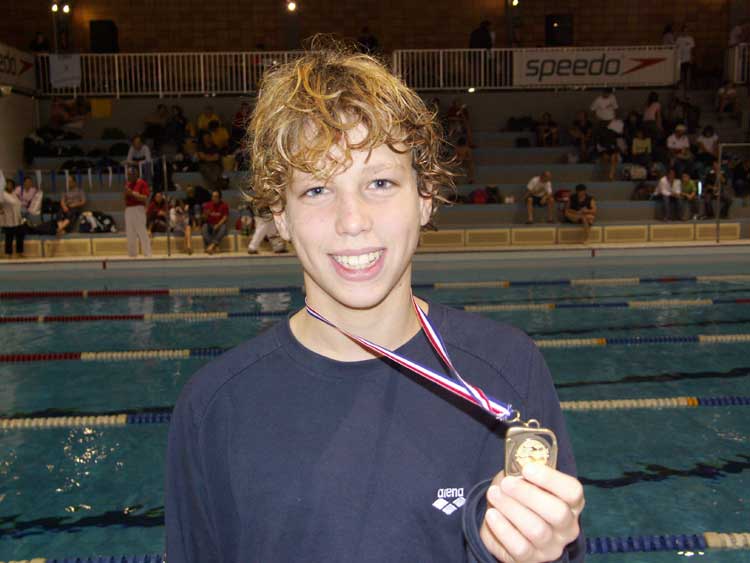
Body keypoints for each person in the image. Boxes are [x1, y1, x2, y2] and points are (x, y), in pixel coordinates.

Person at [167, 43, 585, 563]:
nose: (353, 221)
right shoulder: (214, 407)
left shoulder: (508, 369)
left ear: (425, 197)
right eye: (317, 190)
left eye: (380, 182)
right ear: (280, 215)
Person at [124, 166, 152, 257]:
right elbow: (125, 198)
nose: (128, 176)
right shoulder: (128, 184)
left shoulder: (142, 183)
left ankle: (147, 254)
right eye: (128, 174)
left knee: (141, 232)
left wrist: (132, 193)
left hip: (138, 209)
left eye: (130, 174)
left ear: (135, 174)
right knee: (130, 233)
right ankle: (132, 254)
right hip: (129, 209)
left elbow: (145, 198)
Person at [1, 179, 25, 258]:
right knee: (9, 237)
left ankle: (20, 252)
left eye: (11, 184)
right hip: (8, 219)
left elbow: (18, 204)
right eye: (8, 184)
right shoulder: (2, 194)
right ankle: (9, 254)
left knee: (20, 236)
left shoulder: (14, 194)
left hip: (18, 218)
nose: (10, 186)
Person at [201, 189, 229, 254]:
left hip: (219, 225)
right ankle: (214, 246)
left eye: (216, 196)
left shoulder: (224, 205)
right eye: (213, 196)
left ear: (219, 198)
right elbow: (204, 219)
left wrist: (218, 225)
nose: (213, 198)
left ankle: (211, 246)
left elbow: (225, 217)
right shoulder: (208, 205)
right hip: (210, 225)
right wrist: (205, 215)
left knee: (224, 227)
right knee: (204, 227)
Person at [675, 24, 695, 91]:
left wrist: (691, 58)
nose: (685, 32)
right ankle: (682, 86)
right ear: (682, 31)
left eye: (687, 31)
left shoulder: (690, 39)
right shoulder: (679, 39)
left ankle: (688, 87)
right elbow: (676, 48)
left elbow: (692, 49)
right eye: (684, 31)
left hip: (688, 59)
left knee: (688, 73)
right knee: (681, 74)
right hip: (680, 59)